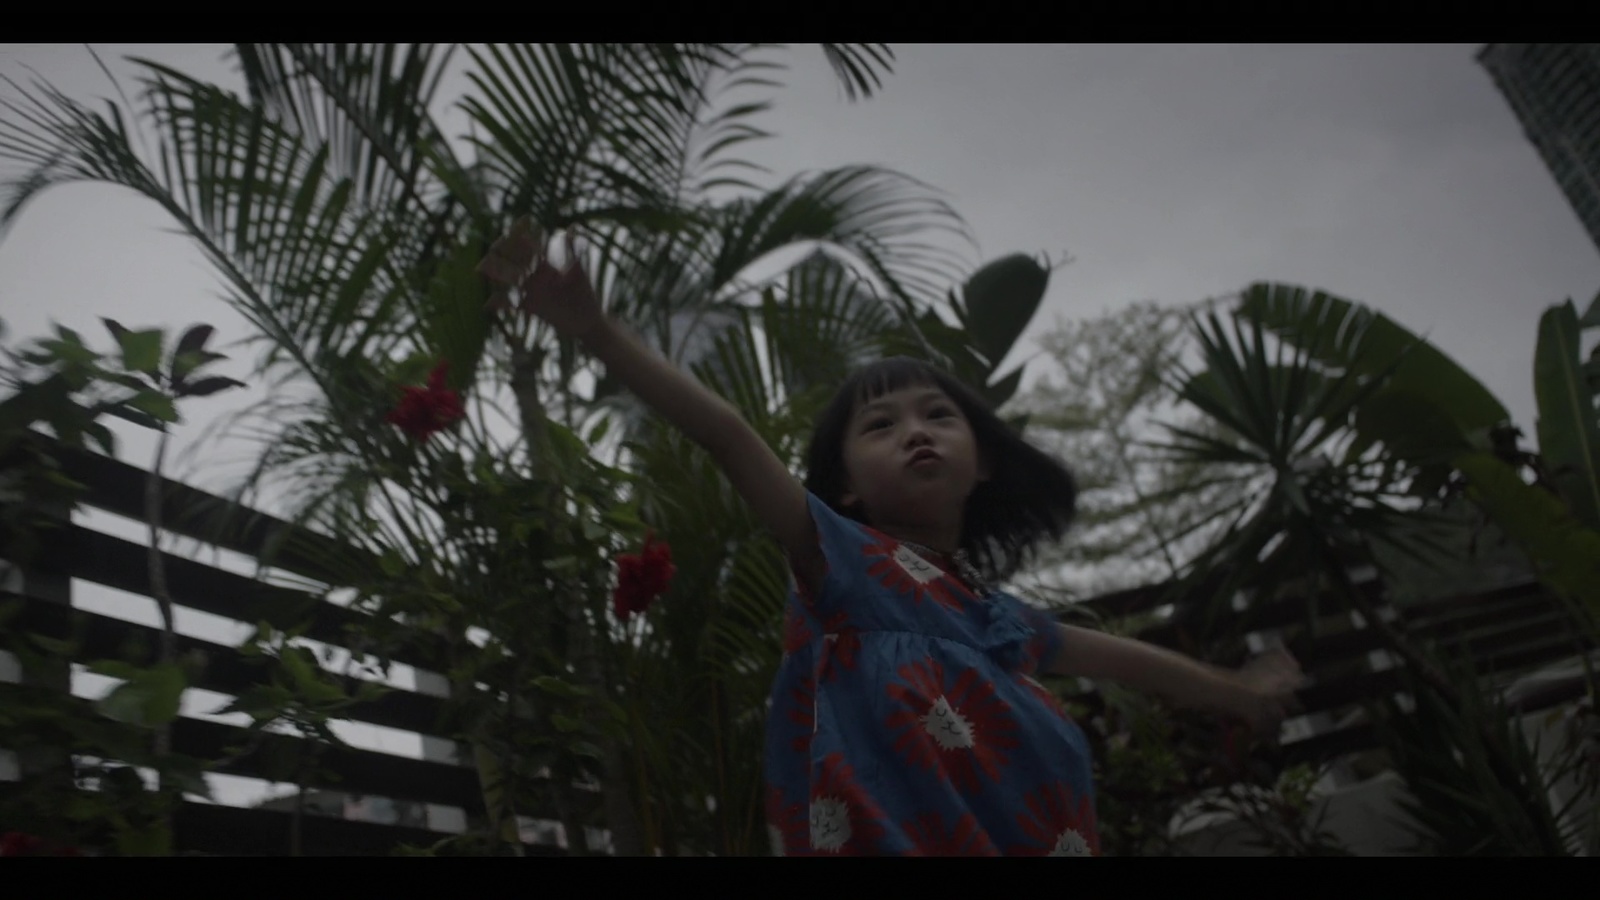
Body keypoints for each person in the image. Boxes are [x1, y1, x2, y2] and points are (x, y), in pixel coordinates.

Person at [478, 224, 1305, 857]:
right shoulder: (836, 557)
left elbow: (1133, 661)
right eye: (880, 424)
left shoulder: (996, 619)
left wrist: (1242, 694)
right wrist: (597, 331)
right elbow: (727, 435)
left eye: (939, 415)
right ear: (842, 486)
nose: (916, 432)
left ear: (981, 464)